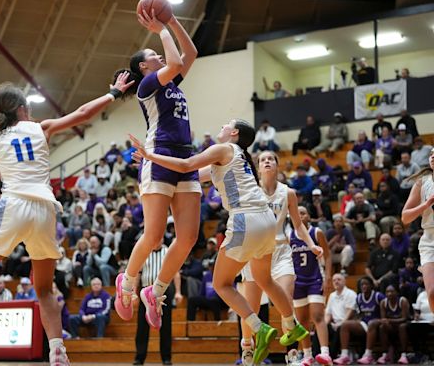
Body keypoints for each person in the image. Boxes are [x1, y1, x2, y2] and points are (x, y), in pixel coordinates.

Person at [0, 76, 133, 366]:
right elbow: (83, 113)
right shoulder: (40, 128)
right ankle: (58, 352)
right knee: (44, 288)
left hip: (13, 206)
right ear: (23, 108)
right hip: (45, 209)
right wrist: (113, 93)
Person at [131, 120, 319, 363]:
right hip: (267, 221)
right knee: (265, 279)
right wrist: (150, 165)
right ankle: (290, 324)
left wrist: (151, 155)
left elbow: (187, 164)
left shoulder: (224, 149)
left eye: (227, 124)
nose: (222, 125)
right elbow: (186, 175)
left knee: (222, 284)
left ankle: (258, 328)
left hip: (245, 220)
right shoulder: (237, 156)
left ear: (234, 133)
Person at [111, 9, 203, 334]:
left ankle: (156, 290)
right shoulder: (148, 85)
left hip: (185, 159)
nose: (160, 55)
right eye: (153, 55)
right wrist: (160, 28)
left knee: (188, 237)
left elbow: (189, 54)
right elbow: (176, 61)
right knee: (152, 236)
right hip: (159, 156)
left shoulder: (171, 81)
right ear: (144, 66)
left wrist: (174, 22)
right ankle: (128, 282)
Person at [239, 150, 325, 366]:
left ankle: (293, 353)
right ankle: (247, 345)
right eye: (263, 160)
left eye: (271, 159)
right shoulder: (251, 189)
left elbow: (298, 224)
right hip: (255, 251)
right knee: (252, 308)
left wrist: (312, 244)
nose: (267, 162)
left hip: (280, 252)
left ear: (277, 166)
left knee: (285, 301)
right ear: (258, 167)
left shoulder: (288, 193)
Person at [290, 206, 332, 365]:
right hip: (297, 283)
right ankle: (307, 355)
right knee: (302, 321)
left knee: (318, 316)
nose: (300, 215)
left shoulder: (317, 233)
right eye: (297, 213)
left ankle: (325, 353)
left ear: (309, 216)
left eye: (303, 212)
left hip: (315, 280)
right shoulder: (290, 236)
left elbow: (327, 256)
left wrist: (328, 277)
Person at [134, 237, 182, 366]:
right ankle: (139, 358)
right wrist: (133, 291)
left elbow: (176, 273)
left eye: (159, 238)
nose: (157, 240)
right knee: (142, 327)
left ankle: (166, 358)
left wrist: (178, 291)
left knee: (166, 326)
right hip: (145, 292)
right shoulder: (145, 252)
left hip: (163, 292)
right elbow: (138, 273)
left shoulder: (168, 251)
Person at [401, 147, 434, 313]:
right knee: (432, 293)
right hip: (430, 239)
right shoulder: (422, 182)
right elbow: (405, 217)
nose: (433, 157)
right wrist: (425, 205)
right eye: (431, 154)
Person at [333, 277, 384, 365]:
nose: (364, 286)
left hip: (378, 322)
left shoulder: (378, 296)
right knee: (345, 324)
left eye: (366, 284)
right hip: (365, 323)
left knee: (372, 323)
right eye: (362, 285)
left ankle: (368, 355)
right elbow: (359, 313)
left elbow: (385, 309)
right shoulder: (359, 297)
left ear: (371, 285)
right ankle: (344, 355)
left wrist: (381, 320)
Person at [357, 284, 410, 365]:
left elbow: (404, 318)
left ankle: (404, 355)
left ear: (397, 292)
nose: (389, 294)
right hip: (392, 326)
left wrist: (389, 320)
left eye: (392, 291)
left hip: (403, 325)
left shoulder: (402, 301)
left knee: (402, 327)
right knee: (382, 327)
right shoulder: (383, 303)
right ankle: (385, 354)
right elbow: (383, 319)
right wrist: (387, 321)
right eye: (387, 292)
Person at [324, 274, 357, 359]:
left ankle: (332, 356)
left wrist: (340, 324)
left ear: (344, 281)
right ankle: (317, 354)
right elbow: (328, 314)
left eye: (339, 279)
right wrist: (325, 325)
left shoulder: (351, 294)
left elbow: (350, 313)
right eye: (334, 280)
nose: (336, 282)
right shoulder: (332, 295)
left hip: (346, 324)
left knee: (340, 328)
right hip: (334, 323)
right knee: (322, 328)